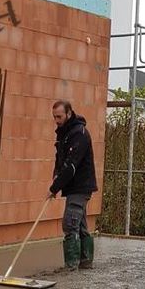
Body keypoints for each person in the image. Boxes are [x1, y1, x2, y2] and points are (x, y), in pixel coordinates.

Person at [47, 100, 98, 271]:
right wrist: (55, 176)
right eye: (54, 117)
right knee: (80, 224)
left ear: (69, 114)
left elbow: (71, 165)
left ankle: (71, 266)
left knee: (70, 223)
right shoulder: (64, 133)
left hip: (81, 186)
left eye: (59, 116)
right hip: (73, 186)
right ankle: (85, 261)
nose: (57, 120)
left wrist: (54, 188)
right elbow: (60, 159)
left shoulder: (79, 134)